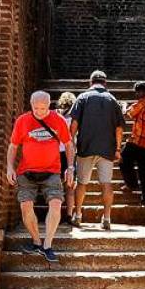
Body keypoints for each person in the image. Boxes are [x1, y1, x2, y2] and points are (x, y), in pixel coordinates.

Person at [6, 91, 74, 262]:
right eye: (36, 108)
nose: (39, 112)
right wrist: (9, 167)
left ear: (49, 105)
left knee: (56, 203)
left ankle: (47, 245)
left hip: (51, 171)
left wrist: (71, 167)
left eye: (43, 109)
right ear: (31, 105)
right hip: (26, 172)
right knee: (25, 206)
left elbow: (68, 144)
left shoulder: (58, 120)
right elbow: (13, 146)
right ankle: (36, 241)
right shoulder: (23, 121)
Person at [70, 70, 123, 230]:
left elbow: (74, 123)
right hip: (107, 149)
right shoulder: (112, 100)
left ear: (90, 82)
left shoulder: (82, 98)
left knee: (82, 183)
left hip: (86, 147)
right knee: (106, 183)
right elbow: (119, 128)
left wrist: (70, 142)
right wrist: (118, 148)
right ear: (105, 83)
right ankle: (107, 218)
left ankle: (78, 215)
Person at [120, 81, 145, 205]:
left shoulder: (144, 102)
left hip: (139, 141)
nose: (137, 94)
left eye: (139, 91)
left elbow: (128, 114)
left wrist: (123, 105)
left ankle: (131, 184)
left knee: (123, 159)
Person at [57, 91, 78, 225]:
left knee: (55, 185)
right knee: (69, 186)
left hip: (55, 152)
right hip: (69, 152)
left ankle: (56, 213)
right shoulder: (75, 116)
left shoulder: (55, 114)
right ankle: (69, 214)